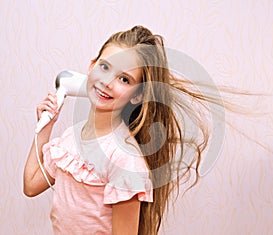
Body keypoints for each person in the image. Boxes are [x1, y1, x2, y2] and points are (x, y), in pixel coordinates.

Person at [24, 26, 222, 235]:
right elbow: (30, 185)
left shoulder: (124, 160)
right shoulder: (71, 138)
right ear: (91, 66)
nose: (107, 82)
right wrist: (46, 124)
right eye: (105, 67)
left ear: (137, 95)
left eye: (124, 79)